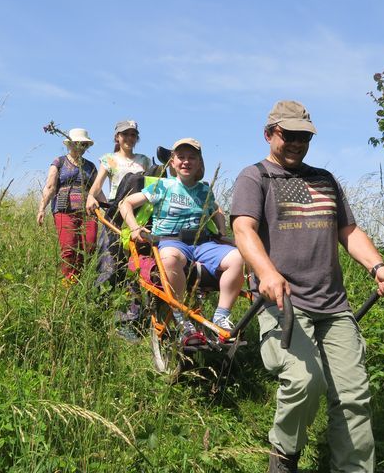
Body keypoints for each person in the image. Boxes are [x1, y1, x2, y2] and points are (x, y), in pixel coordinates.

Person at [230, 100, 384, 473]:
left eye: (303, 136)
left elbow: (350, 231)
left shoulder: (324, 178)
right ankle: (284, 457)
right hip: (283, 302)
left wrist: (379, 266)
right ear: (269, 133)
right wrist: (267, 272)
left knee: (353, 396)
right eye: (288, 134)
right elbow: (243, 229)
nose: (296, 142)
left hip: (333, 306)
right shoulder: (255, 177)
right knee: (304, 382)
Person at [119, 138, 245, 345]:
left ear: (199, 163)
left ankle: (221, 317)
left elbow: (216, 209)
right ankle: (181, 318)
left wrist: (222, 232)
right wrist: (134, 228)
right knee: (169, 258)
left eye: (192, 158)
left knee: (238, 257)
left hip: (203, 243)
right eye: (181, 157)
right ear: (173, 162)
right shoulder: (163, 185)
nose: (186, 161)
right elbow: (126, 204)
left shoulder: (205, 190)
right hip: (171, 241)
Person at [85, 120, 152, 340]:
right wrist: (95, 202)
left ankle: (134, 317)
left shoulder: (143, 160)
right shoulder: (109, 159)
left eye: (133, 135)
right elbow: (95, 189)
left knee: (136, 265)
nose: (129, 139)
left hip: (140, 215)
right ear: (117, 137)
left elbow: (153, 185)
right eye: (125, 135)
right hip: (116, 214)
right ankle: (103, 311)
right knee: (112, 264)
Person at [37, 128, 100, 285]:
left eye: (84, 144)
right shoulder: (59, 162)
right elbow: (50, 187)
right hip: (64, 210)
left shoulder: (91, 166)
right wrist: (41, 208)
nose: (80, 147)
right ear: (70, 144)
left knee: (90, 245)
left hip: (88, 212)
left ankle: (81, 280)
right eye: (77, 143)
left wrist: (109, 209)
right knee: (69, 247)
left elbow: (97, 190)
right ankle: (69, 283)